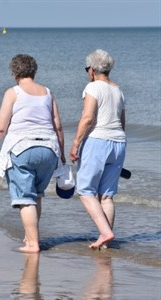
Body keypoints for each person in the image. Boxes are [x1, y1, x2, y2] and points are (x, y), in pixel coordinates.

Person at [0, 54, 65, 253]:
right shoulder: (47, 92)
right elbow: (58, 127)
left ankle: (33, 244)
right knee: (36, 195)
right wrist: (61, 155)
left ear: (14, 73)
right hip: (48, 150)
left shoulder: (13, 92)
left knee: (25, 198)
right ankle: (30, 239)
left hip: (23, 148)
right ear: (33, 71)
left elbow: (1, 126)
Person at [70, 49, 126, 249]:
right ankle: (106, 243)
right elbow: (122, 122)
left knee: (86, 190)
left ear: (92, 70)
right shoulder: (118, 90)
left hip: (98, 141)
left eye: (87, 69)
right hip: (119, 142)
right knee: (107, 195)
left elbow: (88, 118)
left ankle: (105, 232)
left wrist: (76, 143)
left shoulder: (92, 88)